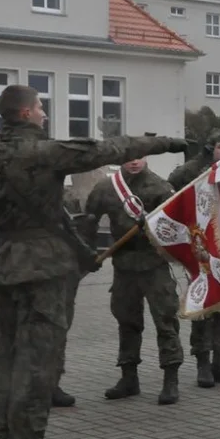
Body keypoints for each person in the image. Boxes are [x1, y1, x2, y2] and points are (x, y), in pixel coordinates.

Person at [0, 84, 186, 439]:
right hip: (43, 268)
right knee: (38, 365)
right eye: (41, 109)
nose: (45, 115)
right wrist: (164, 143)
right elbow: (109, 149)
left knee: (8, 361)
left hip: (6, 264)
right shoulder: (42, 152)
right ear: (28, 113)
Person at [84, 157, 184, 405]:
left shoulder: (161, 187)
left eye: (139, 156)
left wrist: (153, 225)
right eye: (129, 157)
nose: (134, 162)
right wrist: (87, 253)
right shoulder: (107, 188)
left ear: (146, 158)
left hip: (154, 265)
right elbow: (88, 219)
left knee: (166, 321)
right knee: (127, 321)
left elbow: (176, 227)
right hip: (124, 266)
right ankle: (129, 378)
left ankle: (171, 380)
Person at [168, 129, 220, 388]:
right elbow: (175, 186)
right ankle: (202, 362)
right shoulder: (193, 170)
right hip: (202, 245)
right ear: (209, 148)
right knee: (204, 303)